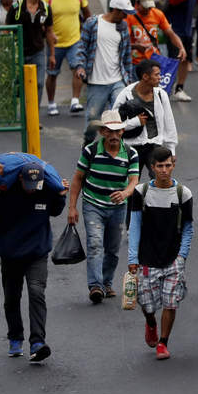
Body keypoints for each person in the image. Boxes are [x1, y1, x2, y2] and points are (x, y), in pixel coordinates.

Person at [0, 160, 67, 362]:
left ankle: (37, 342)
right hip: (11, 254)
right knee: (11, 298)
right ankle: (15, 337)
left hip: (37, 253)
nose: (32, 188)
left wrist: (61, 197)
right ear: (20, 178)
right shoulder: (6, 191)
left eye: (36, 183)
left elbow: (54, 211)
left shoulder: (45, 189)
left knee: (36, 292)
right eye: (28, 183)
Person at [127, 147, 194, 360]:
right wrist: (132, 258)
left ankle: (163, 343)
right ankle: (151, 323)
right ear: (152, 168)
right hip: (147, 257)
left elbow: (188, 227)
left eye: (168, 165)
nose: (164, 170)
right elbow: (135, 225)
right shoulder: (141, 192)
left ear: (173, 165)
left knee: (170, 302)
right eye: (160, 166)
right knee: (146, 303)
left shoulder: (183, 193)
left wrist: (182, 256)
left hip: (173, 257)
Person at [68, 108, 141, 303]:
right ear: (103, 132)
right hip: (93, 204)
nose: (114, 135)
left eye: (118, 131)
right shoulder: (90, 151)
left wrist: (125, 193)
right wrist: (72, 207)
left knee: (113, 249)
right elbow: (77, 179)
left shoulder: (131, 154)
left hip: (118, 208)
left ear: (122, 132)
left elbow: (134, 180)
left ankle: (107, 282)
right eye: (110, 131)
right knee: (94, 244)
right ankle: (95, 286)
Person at [71, 0, 135, 143]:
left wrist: (129, 82)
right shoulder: (93, 23)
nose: (126, 16)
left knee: (119, 115)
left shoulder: (123, 26)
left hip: (118, 80)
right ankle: (88, 146)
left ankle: (116, 148)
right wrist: (80, 67)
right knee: (93, 119)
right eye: (124, 12)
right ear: (115, 10)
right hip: (96, 82)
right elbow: (82, 47)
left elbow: (126, 55)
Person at [114, 59, 178, 171]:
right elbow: (113, 125)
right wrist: (135, 122)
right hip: (131, 147)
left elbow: (169, 122)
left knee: (160, 180)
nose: (160, 77)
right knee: (130, 183)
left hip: (155, 146)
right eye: (157, 74)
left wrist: (171, 150)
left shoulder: (161, 94)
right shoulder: (125, 95)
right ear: (145, 77)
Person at [45, 0, 90, 116]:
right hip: (55, 43)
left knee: (78, 68)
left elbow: (87, 15)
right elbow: (42, 21)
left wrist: (88, 34)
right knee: (52, 73)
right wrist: (48, 36)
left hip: (74, 40)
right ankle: (51, 104)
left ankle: (75, 101)